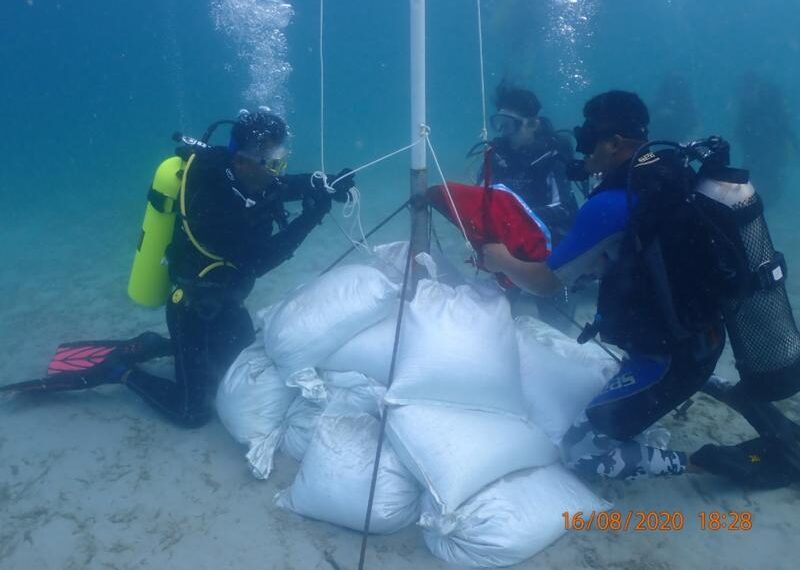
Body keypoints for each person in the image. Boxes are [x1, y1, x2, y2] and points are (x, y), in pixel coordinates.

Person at [482, 90, 800, 487]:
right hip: (703, 339)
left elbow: (545, 283)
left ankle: (709, 462)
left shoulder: (610, 204)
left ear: (614, 144)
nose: (582, 153)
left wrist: (500, 259)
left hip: (670, 360)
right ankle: (728, 392)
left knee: (581, 452)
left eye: (588, 141)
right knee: (661, 371)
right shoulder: (670, 178)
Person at [3, 109, 356, 429]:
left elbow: (280, 188)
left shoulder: (247, 175)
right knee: (192, 412)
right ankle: (120, 371)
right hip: (192, 308)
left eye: (281, 159)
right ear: (244, 160)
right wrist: (313, 214)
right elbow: (259, 259)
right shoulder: (210, 195)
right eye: (273, 162)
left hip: (227, 301)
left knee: (241, 368)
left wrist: (322, 183)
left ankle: (155, 345)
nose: (278, 170)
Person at [479, 81, 578, 244]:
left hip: (549, 238)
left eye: (510, 125)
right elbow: (480, 196)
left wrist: (515, 216)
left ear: (533, 124)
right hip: (510, 234)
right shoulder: (496, 155)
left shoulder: (552, 156)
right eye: (499, 123)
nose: (504, 131)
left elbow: (563, 208)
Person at [734, 72, 798, 203]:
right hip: (754, 147)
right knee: (753, 174)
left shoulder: (771, 101)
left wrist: (794, 146)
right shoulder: (746, 103)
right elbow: (742, 124)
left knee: (770, 177)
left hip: (770, 145)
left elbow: (784, 127)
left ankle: (769, 194)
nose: (747, 93)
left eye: (750, 89)